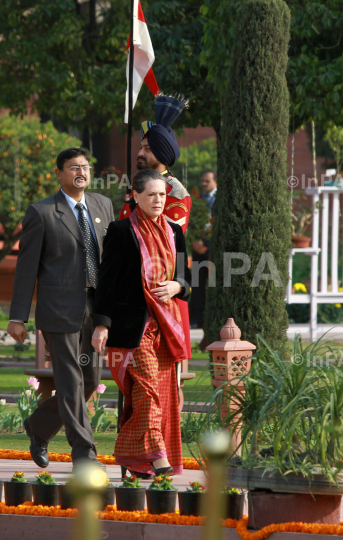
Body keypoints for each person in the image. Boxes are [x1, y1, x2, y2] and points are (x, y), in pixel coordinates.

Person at [7, 147, 115, 469]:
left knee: (91, 381)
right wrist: (17, 317)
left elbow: (108, 260)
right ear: (59, 173)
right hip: (59, 311)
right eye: (73, 167)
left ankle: (38, 427)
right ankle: (84, 454)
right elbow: (26, 268)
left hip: (95, 310)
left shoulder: (102, 205)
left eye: (85, 166)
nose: (81, 172)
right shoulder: (41, 212)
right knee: (70, 381)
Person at [92, 168, 191, 477]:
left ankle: (139, 464)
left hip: (166, 327)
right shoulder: (121, 231)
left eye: (162, 194)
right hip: (133, 328)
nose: (158, 200)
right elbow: (106, 282)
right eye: (151, 194)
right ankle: (157, 457)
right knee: (147, 391)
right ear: (135, 196)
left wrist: (178, 287)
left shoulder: (175, 232)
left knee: (162, 396)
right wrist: (102, 324)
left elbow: (187, 280)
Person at [119, 93, 192, 362]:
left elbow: (166, 245)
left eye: (147, 149)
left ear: (163, 153)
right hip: (131, 290)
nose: (140, 152)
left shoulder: (177, 193)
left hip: (163, 290)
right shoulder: (135, 188)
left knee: (169, 372)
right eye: (140, 147)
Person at [190, 170, 217, 330]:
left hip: (213, 248)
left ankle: (212, 318)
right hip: (197, 247)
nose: (204, 184)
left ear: (215, 182)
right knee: (197, 284)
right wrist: (194, 242)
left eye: (207, 181)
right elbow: (192, 221)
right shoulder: (198, 199)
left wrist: (209, 244)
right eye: (203, 181)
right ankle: (197, 319)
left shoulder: (221, 198)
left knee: (213, 284)